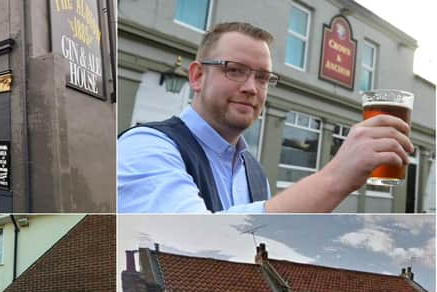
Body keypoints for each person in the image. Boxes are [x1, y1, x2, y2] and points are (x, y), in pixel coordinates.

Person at [117, 22, 413, 213]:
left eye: (262, 77)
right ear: (197, 76)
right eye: (234, 70)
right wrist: (336, 177)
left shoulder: (254, 171)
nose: (250, 87)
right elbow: (191, 243)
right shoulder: (146, 147)